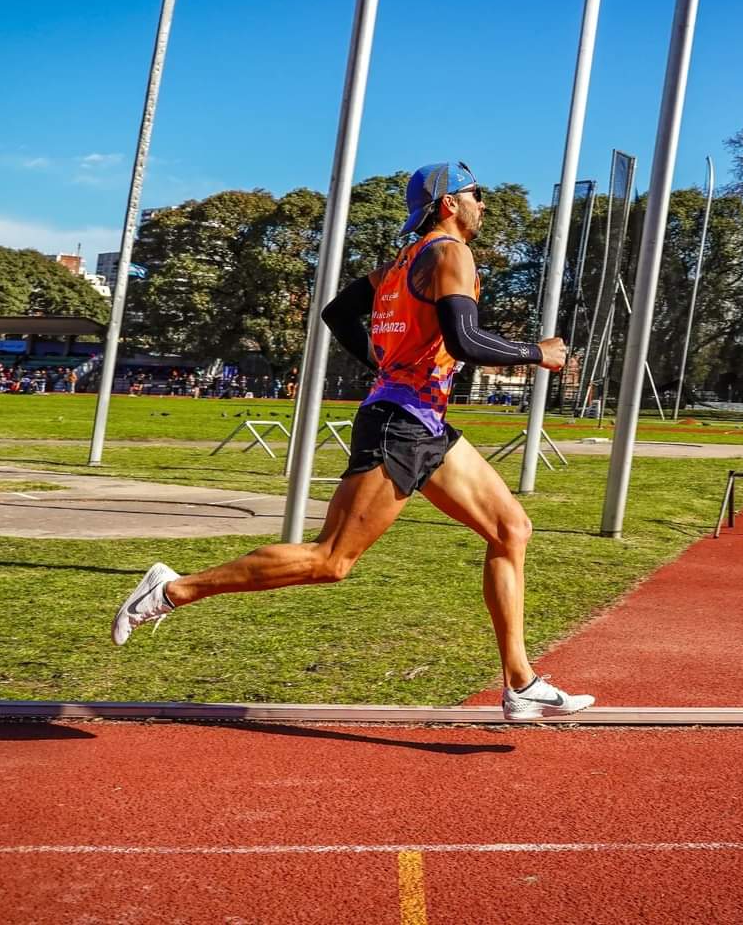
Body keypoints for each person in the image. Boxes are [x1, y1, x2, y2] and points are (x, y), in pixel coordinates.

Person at [112, 161, 593, 722]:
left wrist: (386, 365)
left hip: (423, 420)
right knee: (331, 560)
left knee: (511, 528)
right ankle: (174, 590)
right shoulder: (448, 253)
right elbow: (464, 340)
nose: (483, 204)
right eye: (476, 194)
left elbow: (337, 313)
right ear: (448, 204)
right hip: (400, 424)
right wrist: (540, 354)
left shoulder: (400, 264)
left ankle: (521, 683)